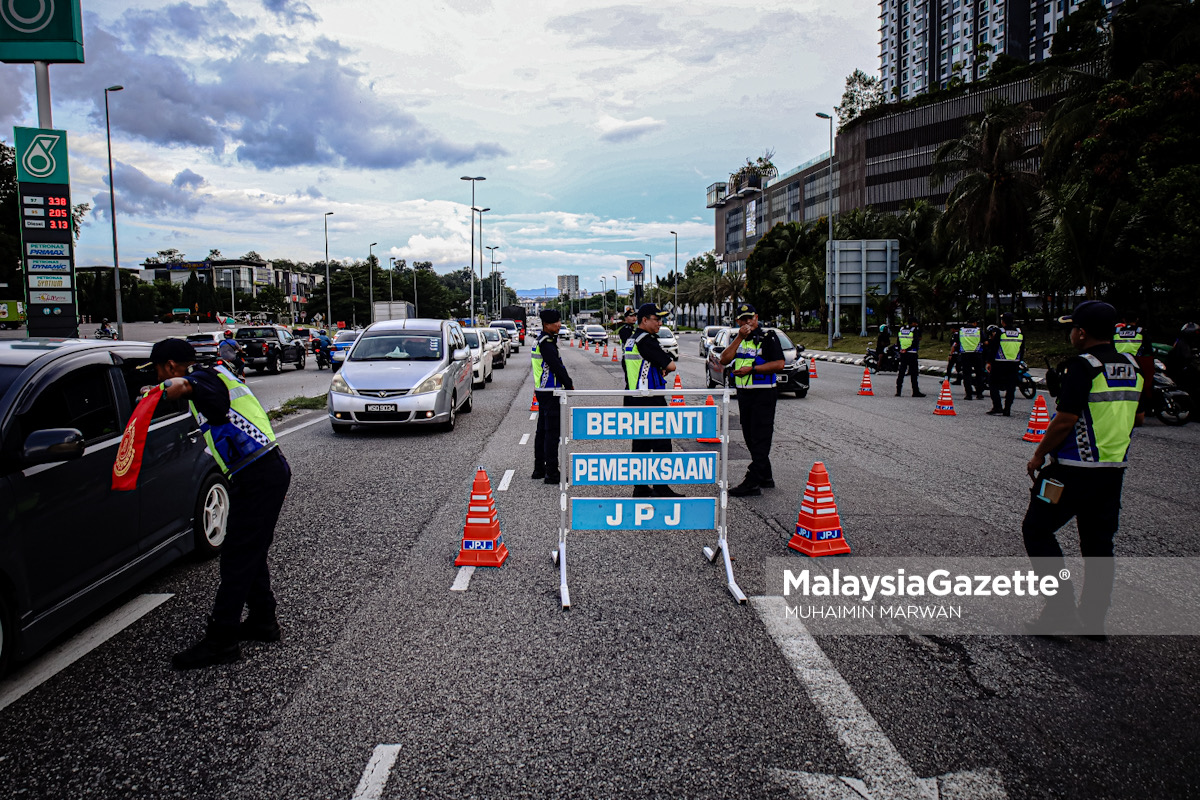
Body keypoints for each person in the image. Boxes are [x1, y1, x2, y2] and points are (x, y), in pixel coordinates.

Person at [142, 339, 292, 669]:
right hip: (258, 471)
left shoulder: (202, 379)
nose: (157, 376)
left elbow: (184, 386)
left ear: (168, 366)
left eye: (157, 371)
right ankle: (263, 620)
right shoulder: (217, 373)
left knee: (238, 556)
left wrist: (161, 390)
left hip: (259, 474)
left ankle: (221, 640)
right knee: (248, 550)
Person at [1022, 301, 1146, 638]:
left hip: (1069, 473)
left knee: (1037, 530)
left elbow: (1065, 420)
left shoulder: (1083, 366)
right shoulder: (1132, 366)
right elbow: (1137, 418)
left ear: (1082, 332)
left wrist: (1037, 456)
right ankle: (1093, 620)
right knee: (1099, 546)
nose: (1071, 333)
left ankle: (1059, 609)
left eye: (1072, 327)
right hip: (1110, 474)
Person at [718, 303, 785, 497]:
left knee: (760, 437)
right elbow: (724, 359)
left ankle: (752, 481)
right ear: (738, 321)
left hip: (764, 393)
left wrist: (753, 370)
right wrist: (739, 337)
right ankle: (766, 476)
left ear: (757, 317)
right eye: (744, 319)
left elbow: (779, 364)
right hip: (745, 393)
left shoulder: (768, 337)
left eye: (751, 318)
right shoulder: (739, 339)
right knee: (749, 436)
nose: (748, 322)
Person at [624, 303, 680, 498]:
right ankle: (661, 487)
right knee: (661, 444)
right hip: (650, 399)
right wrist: (664, 366)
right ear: (645, 320)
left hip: (633, 397)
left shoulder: (631, 339)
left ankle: (639, 487)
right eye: (656, 319)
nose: (660, 323)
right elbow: (670, 365)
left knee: (640, 445)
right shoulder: (647, 340)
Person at [531, 309, 574, 484]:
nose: (559, 325)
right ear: (547, 324)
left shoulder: (540, 340)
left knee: (542, 431)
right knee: (551, 433)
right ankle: (551, 473)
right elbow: (556, 366)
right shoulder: (546, 343)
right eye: (556, 322)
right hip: (550, 391)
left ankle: (539, 469)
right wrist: (568, 383)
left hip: (541, 391)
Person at [986, 312, 1024, 416]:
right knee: (1011, 386)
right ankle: (1007, 409)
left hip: (1000, 362)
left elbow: (994, 348)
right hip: (1014, 363)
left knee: (993, 383)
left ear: (1003, 322)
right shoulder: (1019, 332)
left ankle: (997, 406)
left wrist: (989, 362)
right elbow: (1022, 349)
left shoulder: (1000, 332)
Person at [895, 319, 925, 397]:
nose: (917, 324)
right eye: (916, 322)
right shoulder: (914, 330)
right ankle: (915, 392)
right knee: (914, 373)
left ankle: (898, 391)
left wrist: (901, 349)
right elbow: (915, 342)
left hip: (903, 354)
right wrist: (907, 349)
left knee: (901, 372)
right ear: (913, 323)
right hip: (912, 353)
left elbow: (898, 341)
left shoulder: (902, 329)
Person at [957, 320, 986, 400]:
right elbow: (985, 342)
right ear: (975, 323)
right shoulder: (978, 330)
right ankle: (979, 394)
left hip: (965, 354)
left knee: (966, 374)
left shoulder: (961, 330)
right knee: (979, 374)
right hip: (977, 354)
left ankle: (968, 394)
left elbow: (957, 342)